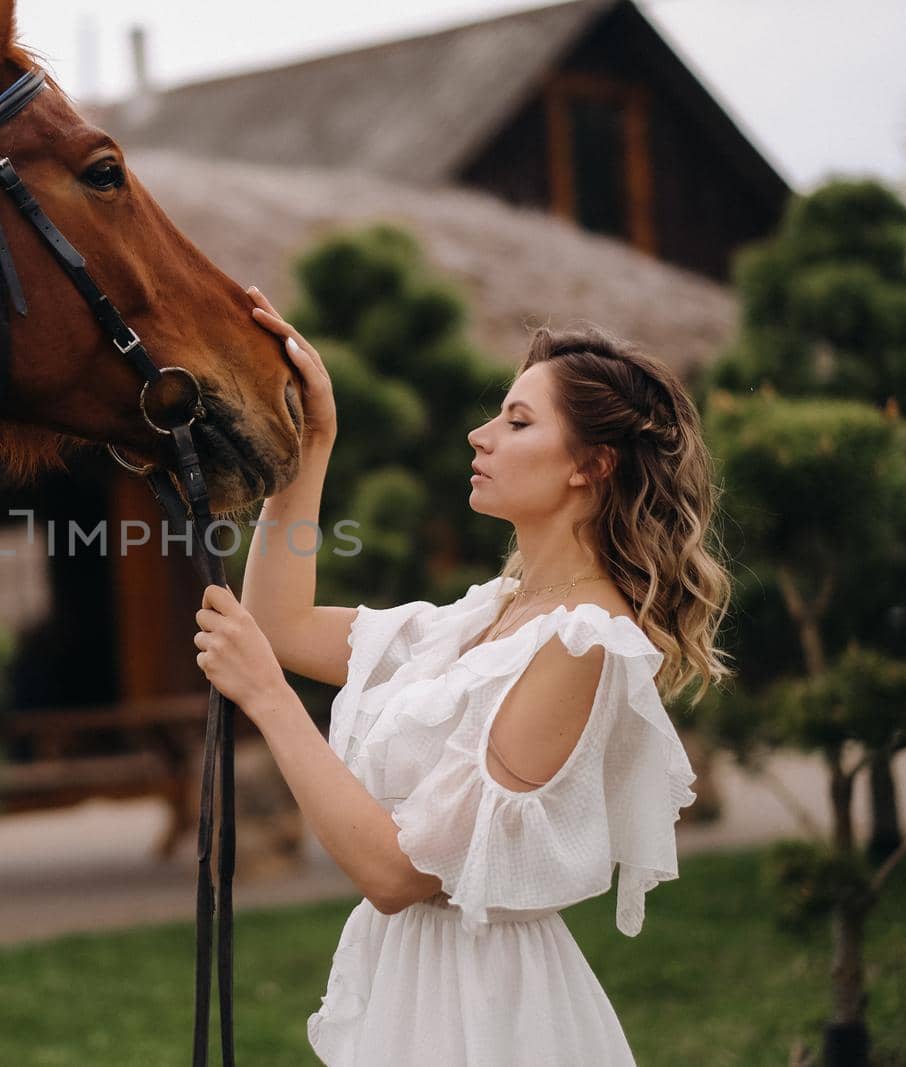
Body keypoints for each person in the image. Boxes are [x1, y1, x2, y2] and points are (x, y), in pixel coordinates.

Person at [191, 286, 734, 1065]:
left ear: (592, 464)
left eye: (518, 422)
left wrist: (270, 701)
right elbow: (280, 625)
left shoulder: (585, 642)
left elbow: (398, 872)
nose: (480, 436)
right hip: (413, 991)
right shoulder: (485, 616)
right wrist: (312, 443)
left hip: (486, 1016)